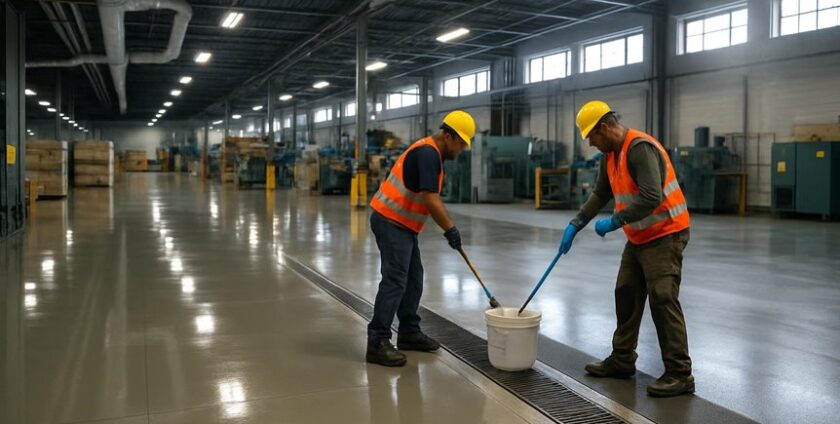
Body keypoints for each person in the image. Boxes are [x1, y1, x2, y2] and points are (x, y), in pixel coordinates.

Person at [559, 100, 694, 397]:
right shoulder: (610, 155)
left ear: (604, 128)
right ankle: (622, 360)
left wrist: (615, 221)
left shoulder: (639, 148)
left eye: (592, 137)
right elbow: (600, 193)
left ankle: (680, 373)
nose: (591, 144)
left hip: (665, 233)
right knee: (626, 292)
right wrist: (576, 223)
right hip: (639, 236)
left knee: (662, 298)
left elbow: (651, 196)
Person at [366, 110, 476, 367]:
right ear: (448, 136)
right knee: (395, 280)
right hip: (391, 221)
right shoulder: (428, 153)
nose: (460, 150)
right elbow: (430, 198)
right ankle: (377, 341)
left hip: (403, 225)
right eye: (460, 143)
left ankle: (408, 332)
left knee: (414, 279)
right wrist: (450, 229)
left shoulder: (430, 152)